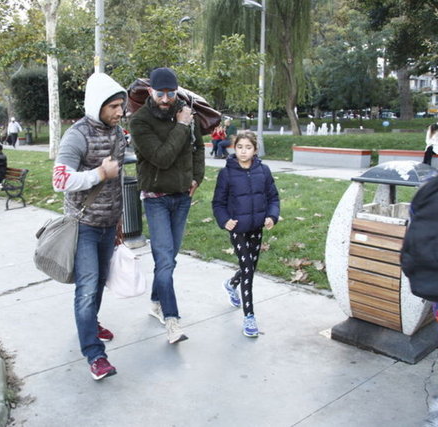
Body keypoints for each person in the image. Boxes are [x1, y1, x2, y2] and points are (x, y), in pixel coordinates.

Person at [52, 72, 126, 381]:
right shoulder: (76, 135)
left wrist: (119, 219)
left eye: (121, 106)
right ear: (98, 105)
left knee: (98, 283)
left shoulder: (118, 133)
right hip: (83, 226)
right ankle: (95, 355)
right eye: (114, 107)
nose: (120, 112)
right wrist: (99, 174)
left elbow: (118, 179)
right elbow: (59, 180)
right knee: (86, 288)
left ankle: (90, 324)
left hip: (109, 224)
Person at [129, 67, 205, 344]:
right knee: (164, 260)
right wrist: (181, 126)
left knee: (168, 260)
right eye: (160, 93)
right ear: (150, 91)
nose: (165, 99)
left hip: (182, 197)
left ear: (176, 91)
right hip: (156, 199)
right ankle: (172, 321)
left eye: (170, 93)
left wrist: (197, 177)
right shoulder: (139, 121)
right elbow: (162, 157)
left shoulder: (186, 113)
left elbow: (198, 147)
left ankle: (155, 302)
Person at [212, 130, 280, 337]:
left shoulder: (264, 171)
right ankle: (249, 316)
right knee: (248, 269)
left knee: (250, 268)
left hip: (257, 227)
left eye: (248, 147)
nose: (243, 151)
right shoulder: (226, 173)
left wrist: (272, 216)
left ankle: (231, 284)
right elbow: (218, 203)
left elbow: (273, 197)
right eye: (240, 147)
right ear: (235, 148)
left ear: (255, 150)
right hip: (238, 228)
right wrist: (224, 220)